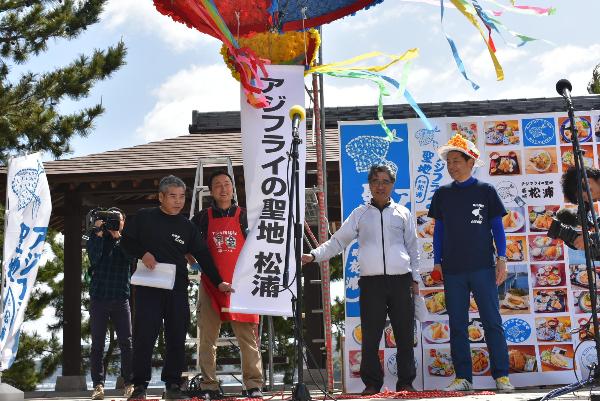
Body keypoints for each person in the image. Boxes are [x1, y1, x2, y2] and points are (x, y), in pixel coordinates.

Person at [301, 164, 421, 395]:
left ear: (392, 185)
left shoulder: (403, 213)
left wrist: (415, 281)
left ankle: (406, 382)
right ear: (370, 185)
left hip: (401, 281)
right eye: (376, 181)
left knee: (405, 334)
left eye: (385, 181)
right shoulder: (359, 214)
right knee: (371, 334)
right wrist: (314, 255)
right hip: (371, 283)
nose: (380, 186)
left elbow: (413, 249)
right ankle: (372, 383)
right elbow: (337, 242)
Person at [121, 175, 233, 400]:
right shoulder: (144, 217)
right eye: (172, 196)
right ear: (160, 197)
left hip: (177, 288)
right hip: (148, 287)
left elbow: (203, 255)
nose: (178, 201)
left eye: (182, 196)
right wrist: (143, 253)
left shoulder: (187, 226)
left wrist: (219, 280)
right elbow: (125, 242)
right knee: (145, 336)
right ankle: (139, 385)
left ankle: (172, 385)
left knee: (176, 335)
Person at [428, 134, 514, 392]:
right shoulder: (442, 194)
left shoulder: (486, 191)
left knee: (492, 321)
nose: (452, 166)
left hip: (483, 267)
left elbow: (497, 228)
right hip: (453, 270)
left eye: (456, 161)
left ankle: (502, 376)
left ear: (470, 161)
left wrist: (502, 259)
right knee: (457, 325)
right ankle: (463, 377)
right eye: (448, 162)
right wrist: (437, 261)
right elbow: (438, 231)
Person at [190, 170, 264, 399]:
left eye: (227, 184)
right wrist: (197, 266)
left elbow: (260, 247)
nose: (223, 188)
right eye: (218, 185)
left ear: (233, 189)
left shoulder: (246, 216)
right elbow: (186, 246)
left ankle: (253, 385)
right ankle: (209, 386)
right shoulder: (202, 218)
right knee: (207, 338)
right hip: (211, 286)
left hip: (241, 287)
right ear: (211, 191)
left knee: (248, 338)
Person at [86, 208, 134, 400]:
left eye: (118, 220)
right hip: (99, 297)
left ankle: (129, 384)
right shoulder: (96, 239)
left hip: (121, 297)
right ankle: (98, 385)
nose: (115, 223)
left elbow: (130, 259)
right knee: (97, 343)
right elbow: (94, 258)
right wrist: (97, 233)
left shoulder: (127, 240)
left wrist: (117, 237)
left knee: (127, 343)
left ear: (123, 223)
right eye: (111, 220)